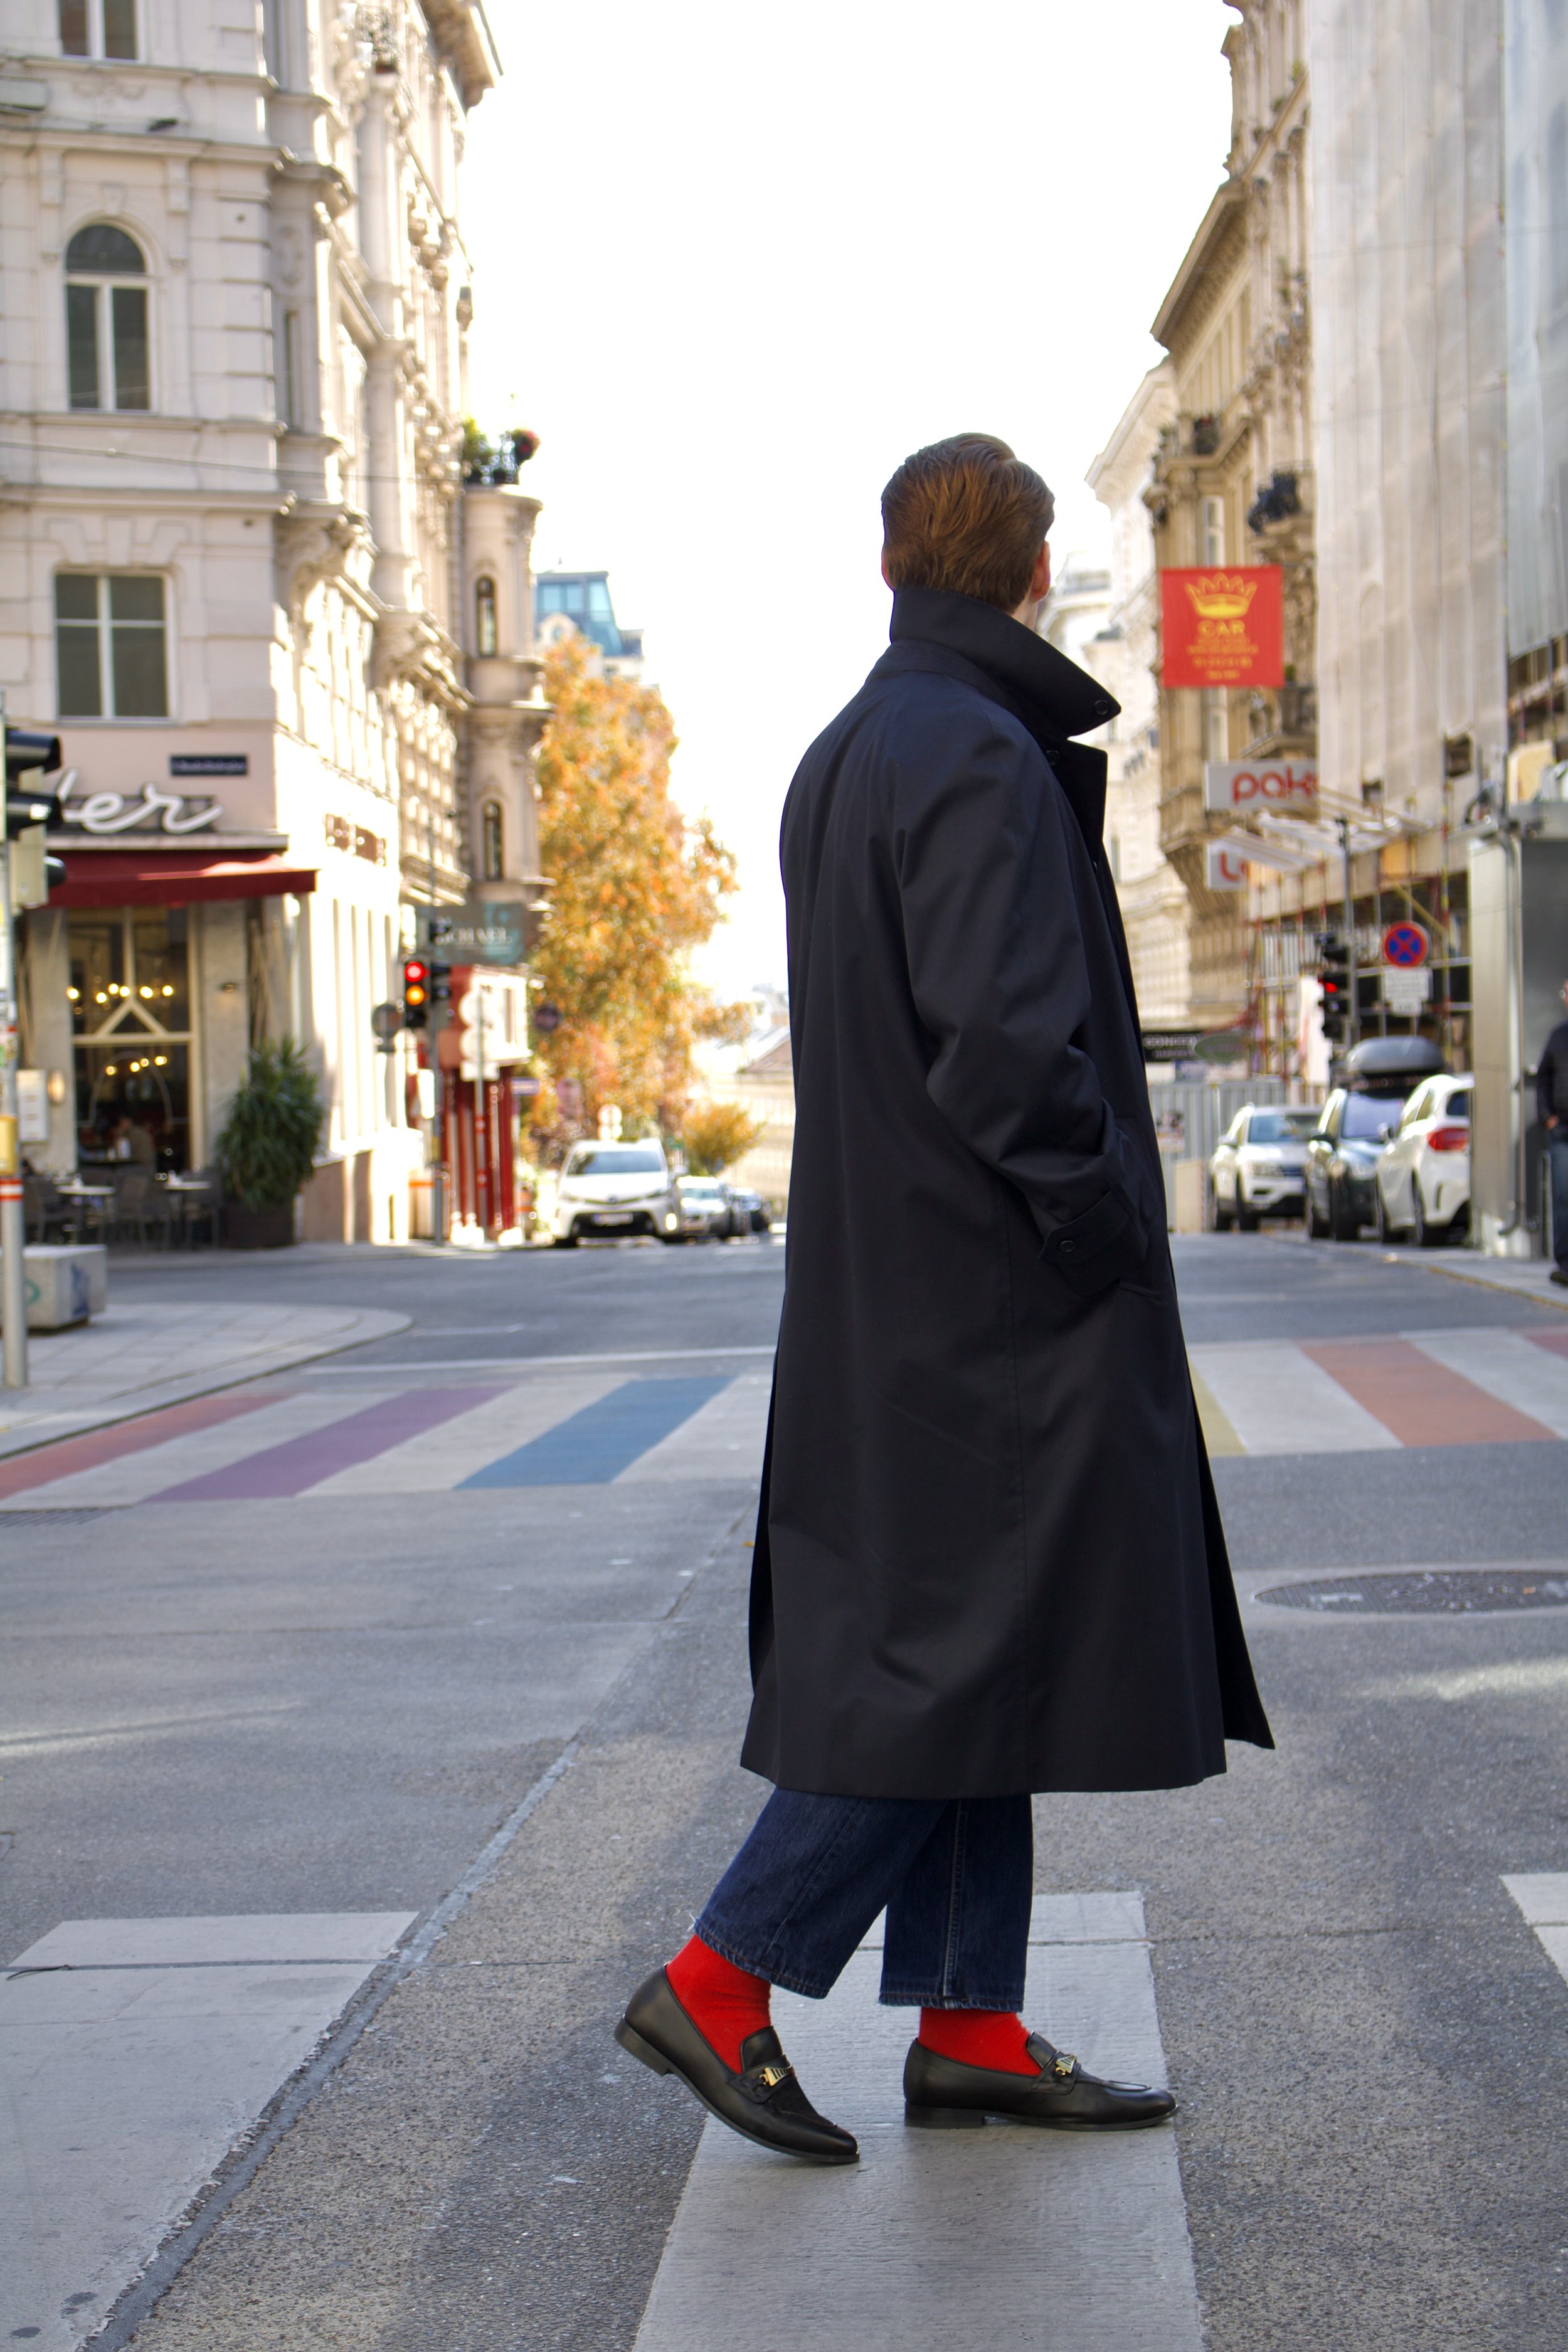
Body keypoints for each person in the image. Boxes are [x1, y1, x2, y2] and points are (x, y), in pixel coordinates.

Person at [616, 435, 1273, 2165]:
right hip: (994, 1300)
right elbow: (1005, 1050)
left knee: (978, 1652)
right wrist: (1098, 1233)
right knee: (944, 1665)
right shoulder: (978, 754)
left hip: (893, 1288)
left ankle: (968, 2020)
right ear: (1034, 574)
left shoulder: (854, 749)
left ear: (892, 565)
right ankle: (721, 1973)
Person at [1537, 978, 1568, 1287]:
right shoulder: (1558, 1036)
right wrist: (1548, 1117)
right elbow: (1543, 1079)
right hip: (1562, 1131)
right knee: (1564, 1195)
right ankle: (1565, 1263)